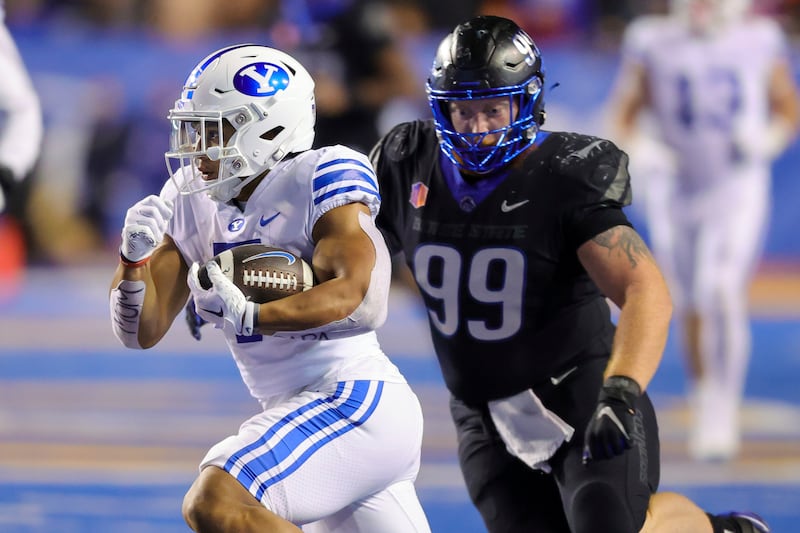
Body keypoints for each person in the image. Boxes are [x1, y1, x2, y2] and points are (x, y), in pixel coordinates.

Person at [369, 15, 772, 533]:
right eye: (463, 110)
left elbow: (644, 289)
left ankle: (722, 530)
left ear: (526, 103)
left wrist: (621, 391)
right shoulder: (407, 161)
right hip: (483, 415)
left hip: (579, 396)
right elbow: (359, 256)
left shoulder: (562, 174)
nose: (477, 128)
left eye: (492, 109)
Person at [109, 44, 431, 533]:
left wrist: (256, 315)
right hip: (302, 410)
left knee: (217, 499)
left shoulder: (319, 176)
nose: (197, 148)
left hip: (353, 399)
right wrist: (132, 261)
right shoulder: (190, 199)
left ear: (267, 129)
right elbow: (140, 332)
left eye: (213, 131)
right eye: (194, 130)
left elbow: (361, 299)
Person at [606, 0, 800, 461]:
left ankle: (722, 405)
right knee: (692, 298)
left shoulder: (759, 39)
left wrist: (768, 138)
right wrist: (644, 148)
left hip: (736, 184)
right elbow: (622, 114)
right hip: (676, 189)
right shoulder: (652, 39)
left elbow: (787, 109)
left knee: (722, 289)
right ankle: (703, 393)